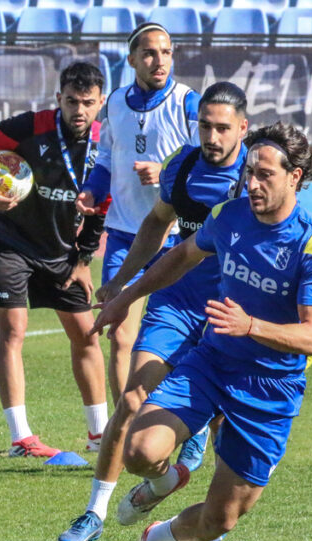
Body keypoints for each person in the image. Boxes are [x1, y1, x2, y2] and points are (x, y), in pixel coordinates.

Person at [90, 122, 312, 541]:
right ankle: (164, 480)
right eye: (249, 172)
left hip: (270, 387)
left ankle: (158, 540)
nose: (252, 184)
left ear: (296, 177)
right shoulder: (229, 216)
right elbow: (180, 257)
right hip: (213, 362)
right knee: (141, 451)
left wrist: (252, 327)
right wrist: (124, 295)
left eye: (265, 175)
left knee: (220, 521)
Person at [58, 82, 250, 541]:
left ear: (243, 129)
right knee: (130, 401)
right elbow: (155, 224)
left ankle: (204, 509)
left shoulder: (256, 175)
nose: (212, 136)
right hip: (177, 303)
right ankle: (95, 513)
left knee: (231, 419)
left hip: (231, 312)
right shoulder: (182, 164)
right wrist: (122, 282)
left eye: (223, 128)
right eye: (205, 125)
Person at [0, 62, 109, 458]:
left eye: (88, 103)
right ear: (58, 99)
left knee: (87, 335)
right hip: (11, 241)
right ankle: (21, 438)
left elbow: (102, 204)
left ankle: (99, 434)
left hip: (62, 251)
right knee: (13, 331)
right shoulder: (31, 126)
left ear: (100, 103)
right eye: (71, 101)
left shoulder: (106, 141)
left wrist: (84, 258)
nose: (79, 110)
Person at [75, 22, 199, 413]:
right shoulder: (113, 102)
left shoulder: (187, 102)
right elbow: (108, 156)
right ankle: (123, 425)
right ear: (131, 59)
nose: (158, 60)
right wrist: (93, 189)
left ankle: (174, 417)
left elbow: (206, 165)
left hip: (178, 240)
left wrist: (165, 172)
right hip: (124, 235)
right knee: (120, 334)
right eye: (148, 53)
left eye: (165, 52)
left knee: (179, 337)